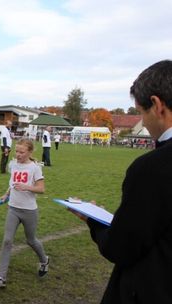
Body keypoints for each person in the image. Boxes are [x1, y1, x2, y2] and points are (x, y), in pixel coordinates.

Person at [70, 60, 172, 303]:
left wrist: (95, 221)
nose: (143, 122)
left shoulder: (153, 167)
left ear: (157, 105)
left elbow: (122, 247)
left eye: (140, 112)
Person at [0, 138, 49, 288]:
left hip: (29, 211)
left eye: (22, 152)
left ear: (29, 152)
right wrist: (6, 194)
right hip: (13, 209)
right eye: (17, 151)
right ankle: (1, 277)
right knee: (7, 241)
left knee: (31, 240)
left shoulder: (35, 168)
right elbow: (12, 183)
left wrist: (27, 187)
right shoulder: (13, 164)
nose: (18, 154)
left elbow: (41, 189)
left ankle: (44, 260)